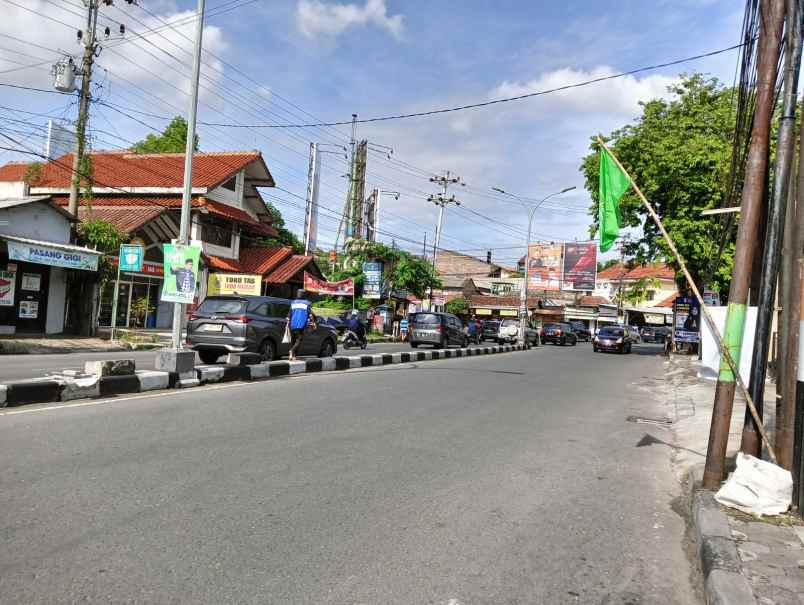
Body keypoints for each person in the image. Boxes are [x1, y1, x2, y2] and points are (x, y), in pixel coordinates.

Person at [287, 289, 317, 361]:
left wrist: (288, 322)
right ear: (304, 295)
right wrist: (314, 322)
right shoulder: (307, 303)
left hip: (292, 324)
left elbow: (289, 314)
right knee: (299, 340)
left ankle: (293, 356)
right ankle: (292, 351)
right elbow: (311, 315)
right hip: (301, 324)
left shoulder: (293, 303)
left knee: (293, 340)